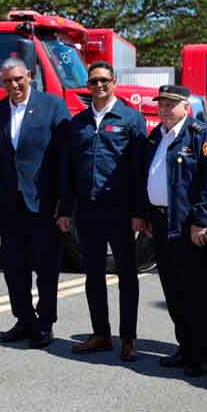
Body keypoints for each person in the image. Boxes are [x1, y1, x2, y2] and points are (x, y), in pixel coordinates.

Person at [57, 61, 144, 359]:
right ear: (89, 86)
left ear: (114, 82)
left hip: (120, 210)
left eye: (104, 80)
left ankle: (129, 337)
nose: (99, 86)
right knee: (93, 274)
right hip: (88, 211)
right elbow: (67, 171)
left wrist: (139, 211)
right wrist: (65, 210)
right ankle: (101, 334)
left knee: (127, 274)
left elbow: (138, 170)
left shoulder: (131, 119)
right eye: (94, 82)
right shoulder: (78, 123)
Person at [0, 58, 69, 350]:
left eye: (19, 79)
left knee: (46, 268)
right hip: (11, 204)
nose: (14, 85)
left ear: (30, 76)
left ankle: (45, 323)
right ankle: (23, 319)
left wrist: (65, 206)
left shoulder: (53, 106)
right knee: (14, 267)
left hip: (44, 204)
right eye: (8, 81)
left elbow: (65, 159)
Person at [143, 85, 207, 377]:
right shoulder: (157, 135)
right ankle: (185, 347)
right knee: (173, 290)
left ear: (186, 107)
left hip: (188, 224)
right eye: (161, 103)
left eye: (170, 104)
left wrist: (201, 220)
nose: (164, 108)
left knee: (196, 293)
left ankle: (202, 355)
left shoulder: (201, 135)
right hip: (162, 222)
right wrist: (146, 214)